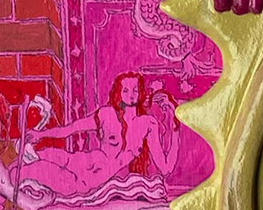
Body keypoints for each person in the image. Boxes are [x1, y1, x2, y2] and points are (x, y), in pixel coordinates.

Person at [17, 72, 179, 199]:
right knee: (41, 157)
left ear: (141, 92)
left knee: (36, 171)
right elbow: (71, 129)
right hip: (83, 160)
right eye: (125, 90)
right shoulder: (106, 114)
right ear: (118, 92)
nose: (131, 95)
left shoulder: (148, 124)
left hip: (93, 178)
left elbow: (166, 168)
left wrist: (174, 125)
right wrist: (41, 134)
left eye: (135, 90)